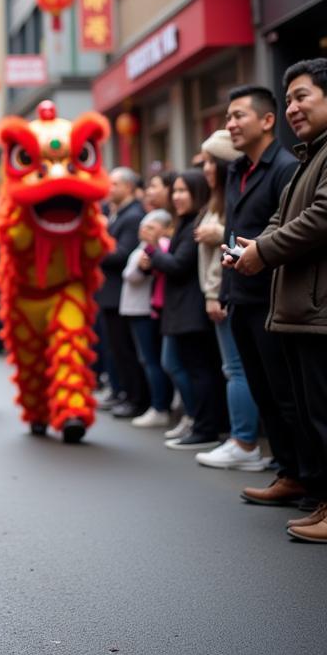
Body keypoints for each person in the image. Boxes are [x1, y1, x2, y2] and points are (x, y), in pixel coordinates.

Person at [231, 59, 327, 541]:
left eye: (302, 97)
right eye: (288, 98)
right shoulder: (309, 156)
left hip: (317, 308)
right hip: (297, 308)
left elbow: (321, 217)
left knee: (320, 411)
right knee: (307, 411)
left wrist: (263, 252)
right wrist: (255, 248)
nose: (292, 107)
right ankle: (315, 494)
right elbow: (279, 219)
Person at [220, 84, 304, 507]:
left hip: (273, 300)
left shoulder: (286, 168)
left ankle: (304, 477)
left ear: (267, 120)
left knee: (286, 395)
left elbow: (288, 235)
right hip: (240, 297)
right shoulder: (236, 170)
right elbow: (228, 230)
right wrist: (222, 290)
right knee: (263, 392)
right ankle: (287, 471)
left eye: (239, 116)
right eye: (228, 117)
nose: (231, 124)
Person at [193, 130, 265, 473]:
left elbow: (239, 242)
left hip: (231, 292)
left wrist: (214, 294)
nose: (205, 168)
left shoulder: (234, 196)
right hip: (223, 292)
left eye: (210, 161)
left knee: (236, 369)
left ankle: (244, 441)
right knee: (234, 368)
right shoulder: (218, 199)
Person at [141, 170, 225, 450]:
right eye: (174, 191)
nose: (176, 196)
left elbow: (178, 266)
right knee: (180, 365)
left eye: (183, 191)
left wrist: (153, 251)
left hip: (191, 311)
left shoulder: (194, 226)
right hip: (180, 310)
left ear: (198, 192)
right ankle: (196, 420)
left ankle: (204, 426)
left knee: (197, 369)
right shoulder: (186, 222)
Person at [98, 168, 147, 418]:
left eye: (115, 183)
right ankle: (123, 393)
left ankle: (135, 398)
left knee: (126, 350)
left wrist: (96, 247)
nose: (109, 188)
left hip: (121, 294)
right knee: (115, 349)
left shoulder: (133, 215)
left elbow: (122, 254)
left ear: (128, 187)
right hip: (110, 294)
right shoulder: (117, 214)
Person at [121, 210, 174, 428]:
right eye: (144, 226)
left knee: (152, 360)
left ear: (165, 229)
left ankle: (160, 406)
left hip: (145, 310)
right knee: (148, 359)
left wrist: (145, 265)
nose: (144, 230)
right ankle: (157, 405)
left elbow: (133, 275)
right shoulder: (145, 247)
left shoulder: (157, 248)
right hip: (137, 309)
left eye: (151, 227)